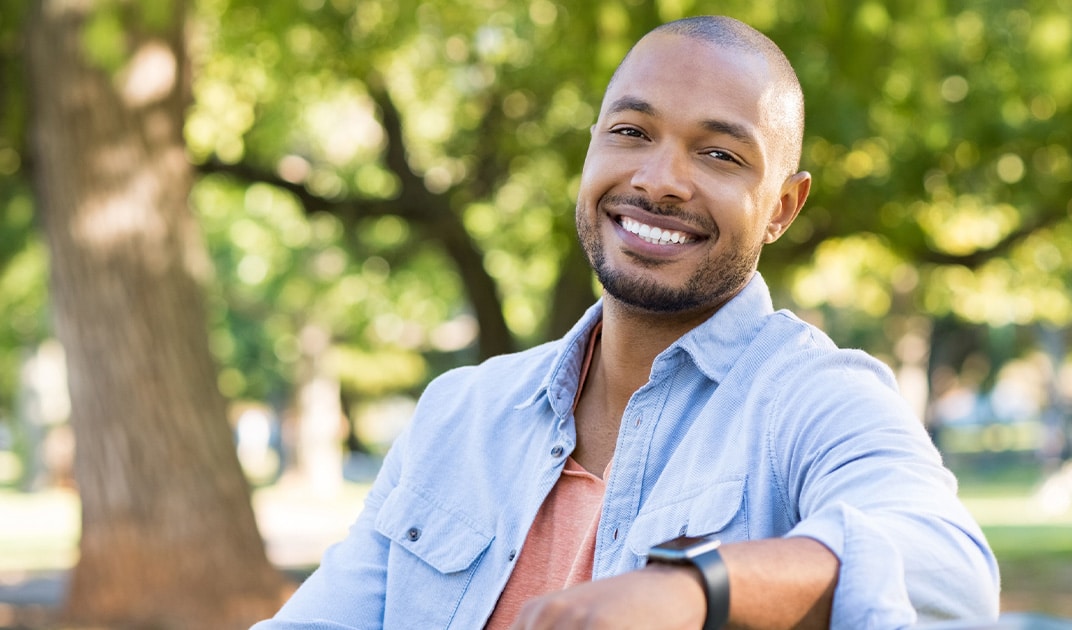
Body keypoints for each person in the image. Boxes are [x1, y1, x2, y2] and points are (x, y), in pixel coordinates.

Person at [253, 15, 1000, 630]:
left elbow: (950, 574)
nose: (658, 180)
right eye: (632, 132)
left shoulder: (815, 401)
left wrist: (693, 589)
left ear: (781, 207)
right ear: (592, 146)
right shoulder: (461, 413)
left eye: (718, 153)